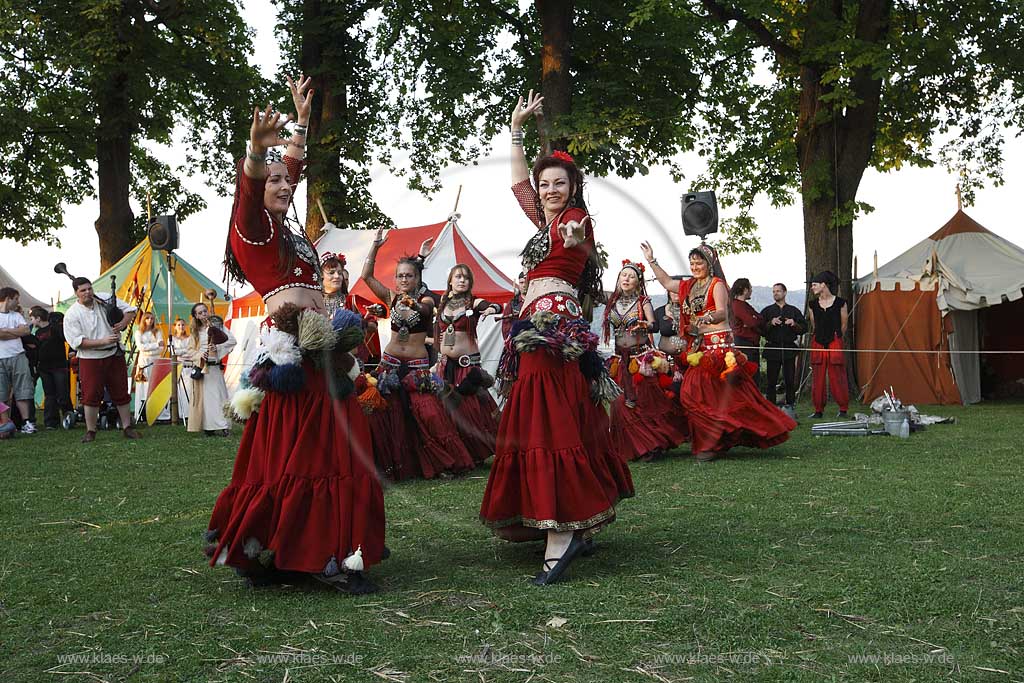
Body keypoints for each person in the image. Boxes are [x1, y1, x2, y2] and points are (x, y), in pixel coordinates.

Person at [208, 75, 385, 594]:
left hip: (319, 350)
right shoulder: (254, 228)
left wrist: (302, 123)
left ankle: (317, 546)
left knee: (335, 449)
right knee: (310, 453)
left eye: (289, 180)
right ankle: (311, 554)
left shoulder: (287, 230)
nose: (285, 185)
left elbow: (293, 167)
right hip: (291, 357)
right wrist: (255, 150)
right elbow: (249, 190)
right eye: (275, 180)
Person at [481, 91, 633, 586]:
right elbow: (517, 183)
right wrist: (515, 129)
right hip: (534, 320)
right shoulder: (544, 219)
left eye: (558, 183)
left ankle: (561, 537)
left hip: (551, 325)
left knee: (548, 419)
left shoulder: (573, 221)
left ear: (573, 188)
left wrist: (572, 237)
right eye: (545, 184)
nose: (547, 190)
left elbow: (577, 235)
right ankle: (574, 526)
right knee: (553, 414)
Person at [641, 241, 796, 462]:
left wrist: (707, 317)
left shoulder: (717, 284)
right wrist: (651, 260)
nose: (695, 266)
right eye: (692, 263)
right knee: (690, 395)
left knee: (722, 397)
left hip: (719, 349)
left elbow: (722, 312)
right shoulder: (689, 286)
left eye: (699, 262)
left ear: (708, 263)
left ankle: (714, 443)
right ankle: (715, 440)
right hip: (701, 349)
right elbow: (666, 282)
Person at [359, 230, 475, 481]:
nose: (403, 280)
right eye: (399, 276)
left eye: (408, 276)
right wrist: (375, 247)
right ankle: (386, 464)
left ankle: (444, 461)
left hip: (416, 366)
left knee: (428, 414)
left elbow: (424, 311)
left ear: (417, 278)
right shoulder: (390, 297)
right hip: (388, 364)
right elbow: (365, 276)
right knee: (385, 414)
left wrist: (411, 302)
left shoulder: (427, 299)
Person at [603, 260, 688, 461]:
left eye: (631, 276)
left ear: (638, 282)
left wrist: (644, 325)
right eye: (624, 275)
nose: (627, 279)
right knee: (620, 403)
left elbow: (653, 325)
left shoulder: (643, 301)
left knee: (644, 403)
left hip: (641, 358)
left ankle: (651, 444)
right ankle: (634, 446)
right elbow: (591, 291)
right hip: (619, 359)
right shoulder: (611, 299)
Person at [435, 264, 502, 465]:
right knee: (448, 409)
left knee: (471, 409)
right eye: (458, 277)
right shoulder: (442, 303)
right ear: (450, 281)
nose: (462, 280)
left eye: (466, 278)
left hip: (467, 366)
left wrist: (490, 309)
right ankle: (458, 454)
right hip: (445, 365)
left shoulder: (473, 301)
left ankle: (479, 453)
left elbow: (496, 306)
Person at [62, 277, 140, 442]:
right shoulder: (71, 315)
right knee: (90, 395)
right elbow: (78, 342)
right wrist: (103, 341)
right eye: (83, 290)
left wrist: (122, 324)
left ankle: (127, 427)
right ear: (76, 293)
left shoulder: (104, 298)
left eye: (89, 288)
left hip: (113, 354)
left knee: (121, 391)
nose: (88, 292)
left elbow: (131, 310)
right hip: (90, 358)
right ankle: (91, 431)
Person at [321, 251, 379, 366]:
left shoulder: (353, 301)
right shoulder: (313, 302)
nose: (337, 276)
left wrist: (360, 323)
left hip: (351, 364)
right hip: (323, 363)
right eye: (332, 273)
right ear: (320, 276)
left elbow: (373, 326)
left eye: (339, 272)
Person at [186, 305, 237, 436]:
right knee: (205, 400)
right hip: (202, 368)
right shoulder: (195, 332)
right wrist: (200, 355)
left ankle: (224, 426)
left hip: (214, 368)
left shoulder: (218, 326)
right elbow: (190, 350)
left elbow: (231, 341)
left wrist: (217, 348)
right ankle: (209, 427)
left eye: (205, 311)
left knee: (220, 397)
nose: (204, 314)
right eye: (200, 312)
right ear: (196, 316)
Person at [807, 271, 850, 418]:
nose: (812, 288)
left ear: (823, 285)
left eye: (814, 285)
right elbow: (814, 325)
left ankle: (843, 408)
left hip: (834, 341)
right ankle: (818, 409)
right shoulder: (812, 305)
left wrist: (836, 339)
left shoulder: (840, 303)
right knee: (817, 376)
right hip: (818, 342)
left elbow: (844, 325)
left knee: (837, 375)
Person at [760, 283, 805, 408]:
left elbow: (804, 328)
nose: (775, 293)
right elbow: (760, 329)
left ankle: (790, 405)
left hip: (789, 348)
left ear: (785, 293)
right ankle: (770, 406)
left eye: (778, 291)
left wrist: (794, 324)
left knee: (790, 380)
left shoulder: (793, 310)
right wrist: (770, 323)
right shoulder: (767, 311)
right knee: (771, 381)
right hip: (772, 349)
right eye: (773, 291)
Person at [28, 307, 72, 430]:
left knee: (62, 393)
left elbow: (65, 338)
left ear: (38, 318)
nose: (31, 322)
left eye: (32, 319)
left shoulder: (55, 328)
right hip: (44, 368)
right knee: (50, 394)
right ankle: (51, 421)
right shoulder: (37, 333)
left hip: (59, 366)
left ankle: (68, 416)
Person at [0, 288, 36, 434]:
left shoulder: (16, 315)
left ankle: (26, 422)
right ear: (8, 299)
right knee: (1, 392)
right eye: (16, 299)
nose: (18, 302)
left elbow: (26, 331)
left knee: (23, 389)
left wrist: (5, 331)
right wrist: (15, 332)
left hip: (18, 356)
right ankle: (4, 423)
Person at [132, 312, 165, 422]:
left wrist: (150, 349)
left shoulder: (158, 332)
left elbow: (162, 348)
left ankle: (157, 413)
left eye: (152, 318)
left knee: (156, 386)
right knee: (144, 387)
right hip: (144, 362)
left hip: (156, 362)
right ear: (144, 320)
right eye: (148, 318)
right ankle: (141, 413)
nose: (150, 320)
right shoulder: (138, 332)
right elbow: (140, 347)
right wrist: (155, 346)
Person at [730, 278, 764, 385]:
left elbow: (759, 318)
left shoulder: (744, 305)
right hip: (744, 344)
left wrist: (755, 319)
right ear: (745, 290)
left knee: (754, 374)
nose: (751, 291)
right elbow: (752, 322)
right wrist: (754, 320)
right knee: (749, 374)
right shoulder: (737, 305)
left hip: (751, 344)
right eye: (750, 288)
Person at [169, 318, 192, 423]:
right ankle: (179, 413)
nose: (181, 327)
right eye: (178, 325)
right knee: (179, 389)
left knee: (189, 389)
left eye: (183, 325)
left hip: (189, 365)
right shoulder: (172, 339)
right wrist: (183, 352)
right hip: (178, 366)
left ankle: (189, 413)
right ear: (175, 327)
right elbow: (173, 352)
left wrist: (181, 353)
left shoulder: (190, 338)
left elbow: (192, 351)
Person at [501, 272, 526, 340]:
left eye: (526, 282)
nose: (524, 285)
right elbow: (506, 326)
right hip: (517, 342)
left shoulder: (536, 301)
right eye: (521, 282)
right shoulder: (512, 303)